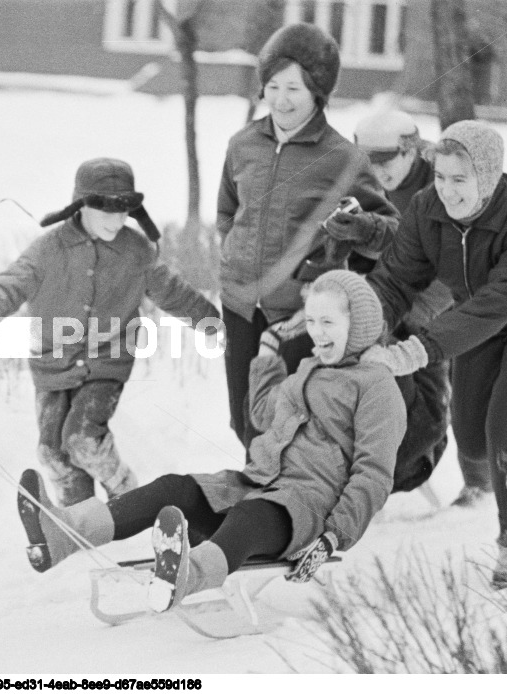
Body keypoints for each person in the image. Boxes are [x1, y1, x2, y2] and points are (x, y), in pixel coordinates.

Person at [17, 270, 405, 612]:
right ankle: (64, 533)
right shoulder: (310, 369)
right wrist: (269, 352)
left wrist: (333, 537)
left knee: (247, 518)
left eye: (329, 322)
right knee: (174, 489)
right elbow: (263, 416)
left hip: (305, 509)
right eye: (313, 321)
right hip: (255, 486)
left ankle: (186, 577)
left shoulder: (377, 387)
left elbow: (373, 475)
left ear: (359, 326)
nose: (317, 332)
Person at [365, 120, 507, 588]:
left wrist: (420, 349)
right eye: (441, 177)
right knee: (472, 440)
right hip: (475, 323)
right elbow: (396, 279)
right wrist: (362, 325)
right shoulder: (428, 210)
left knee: (506, 428)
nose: (446, 191)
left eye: (459, 180)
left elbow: (496, 304)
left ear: (487, 177)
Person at [0, 158, 222, 507]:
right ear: (82, 204)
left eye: (125, 211)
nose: (118, 220)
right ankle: (83, 516)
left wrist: (210, 322)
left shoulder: (136, 251)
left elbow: (172, 292)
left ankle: (126, 493)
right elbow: (9, 283)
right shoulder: (49, 249)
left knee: (82, 439)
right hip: (52, 364)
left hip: (108, 361)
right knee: (51, 451)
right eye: (107, 211)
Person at [216, 23, 399, 454]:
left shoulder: (343, 158)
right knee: (243, 418)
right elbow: (227, 212)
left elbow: (390, 231)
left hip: (301, 311)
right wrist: (234, 256)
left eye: (294, 88)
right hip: (241, 305)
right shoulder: (243, 144)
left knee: (284, 421)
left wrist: (356, 231)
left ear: (318, 92)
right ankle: (260, 505)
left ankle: (280, 508)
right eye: (273, 86)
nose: (280, 99)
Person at [353, 109, 466, 500]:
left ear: (411, 150)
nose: (377, 172)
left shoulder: (448, 184)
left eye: (385, 162)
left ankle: (477, 483)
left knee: (448, 405)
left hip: (447, 305)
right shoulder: (368, 184)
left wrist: (412, 317)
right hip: (392, 298)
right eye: (368, 163)